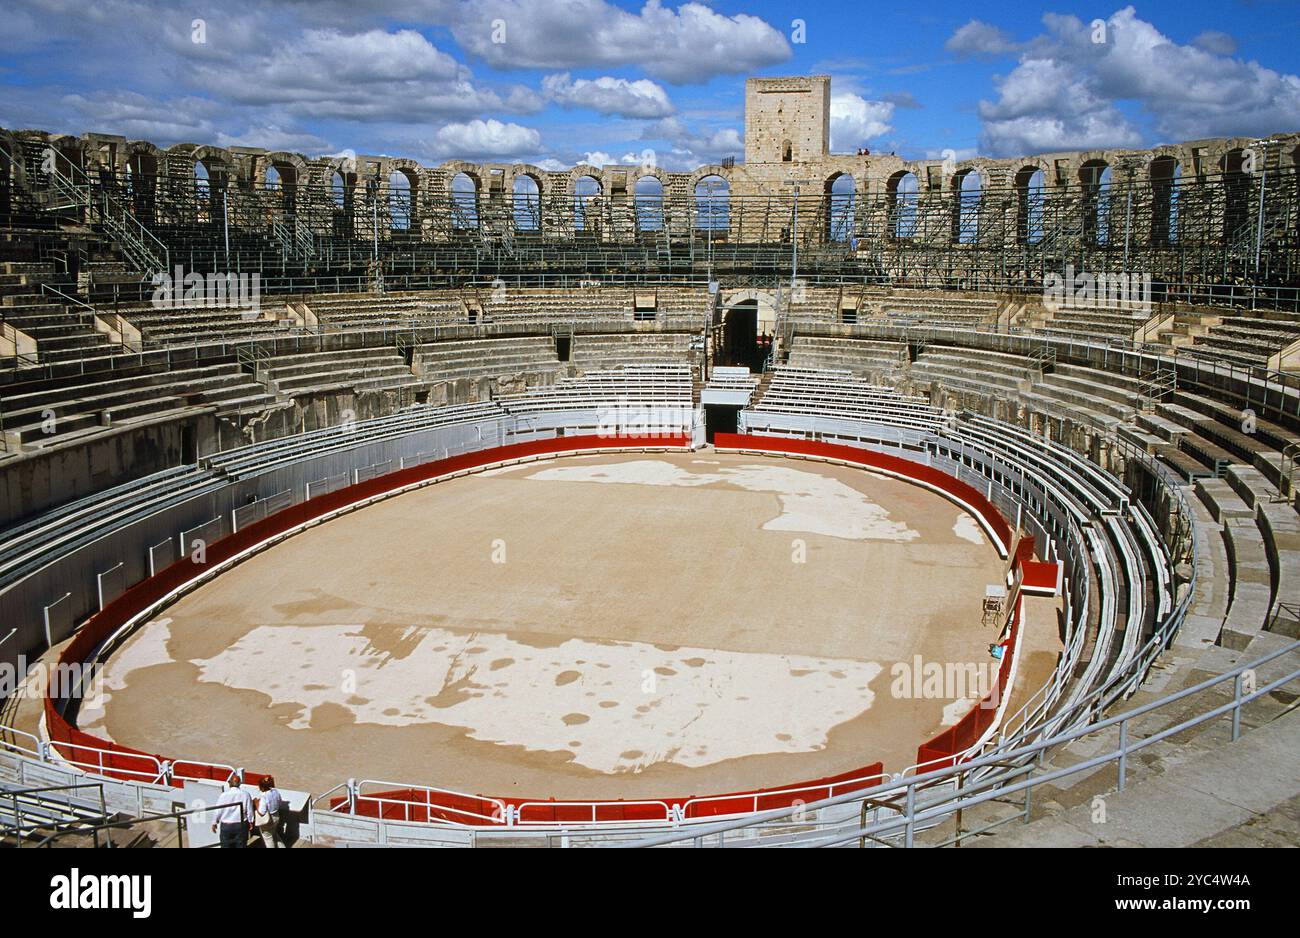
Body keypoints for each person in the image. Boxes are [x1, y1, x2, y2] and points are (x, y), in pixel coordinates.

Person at [211, 778, 253, 848]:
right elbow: (249, 810)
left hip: (226, 825)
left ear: (229, 783)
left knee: (226, 845)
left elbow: (218, 810)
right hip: (241, 824)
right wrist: (251, 821)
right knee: (241, 845)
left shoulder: (223, 795)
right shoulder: (246, 794)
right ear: (239, 783)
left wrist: (214, 822)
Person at [254, 777, 285, 848]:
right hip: (276, 816)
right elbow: (280, 802)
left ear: (262, 787)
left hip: (268, 820)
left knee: (268, 839)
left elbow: (261, 813)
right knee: (274, 834)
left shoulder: (264, 796)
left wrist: (256, 803)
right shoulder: (275, 791)